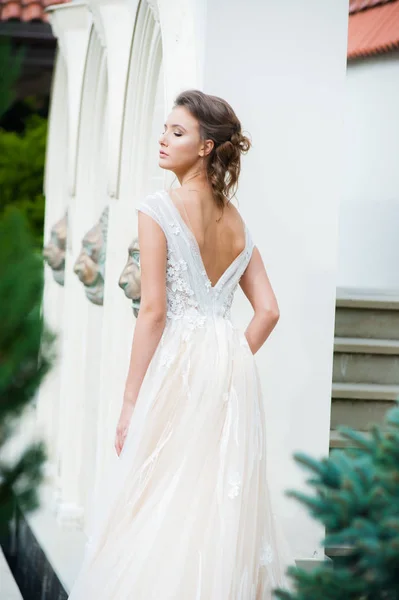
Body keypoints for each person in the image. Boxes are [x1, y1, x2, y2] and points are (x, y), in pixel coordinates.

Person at [67, 89, 294, 599]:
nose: (163, 139)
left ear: (208, 146)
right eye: (165, 129)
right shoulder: (237, 221)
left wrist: (130, 400)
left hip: (180, 363)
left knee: (158, 489)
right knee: (213, 492)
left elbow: (153, 311)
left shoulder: (158, 208)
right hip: (230, 364)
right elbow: (270, 310)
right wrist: (230, 356)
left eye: (177, 131)